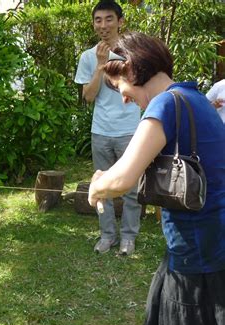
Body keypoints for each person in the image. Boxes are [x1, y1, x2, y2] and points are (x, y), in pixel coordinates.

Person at [87, 32, 225, 325]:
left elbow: (123, 178)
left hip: (199, 264)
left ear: (132, 70)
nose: (123, 98)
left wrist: (97, 186)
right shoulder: (193, 98)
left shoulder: (166, 102)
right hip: (203, 250)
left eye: (121, 88)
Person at [74, 0, 142, 255]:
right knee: (102, 187)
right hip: (101, 131)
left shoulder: (133, 53)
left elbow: (139, 89)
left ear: (120, 21)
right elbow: (89, 96)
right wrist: (101, 66)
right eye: (98, 20)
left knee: (130, 188)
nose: (103, 25)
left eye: (109, 19)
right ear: (94, 24)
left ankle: (128, 237)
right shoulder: (87, 57)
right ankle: (107, 236)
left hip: (130, 130)